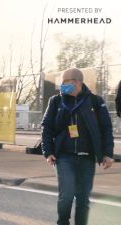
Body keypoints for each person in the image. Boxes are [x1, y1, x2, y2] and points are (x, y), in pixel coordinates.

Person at [41, 68, 114, 225]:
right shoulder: (56, 101)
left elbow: (106, 128)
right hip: (64, 157)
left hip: (87, 157)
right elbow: (46, 127)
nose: (61, 85)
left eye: (64, 81)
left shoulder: (95, 101)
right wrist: (48, 152)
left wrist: (108, 153)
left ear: (77, 82)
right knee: (66, 196)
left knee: (83, 199)